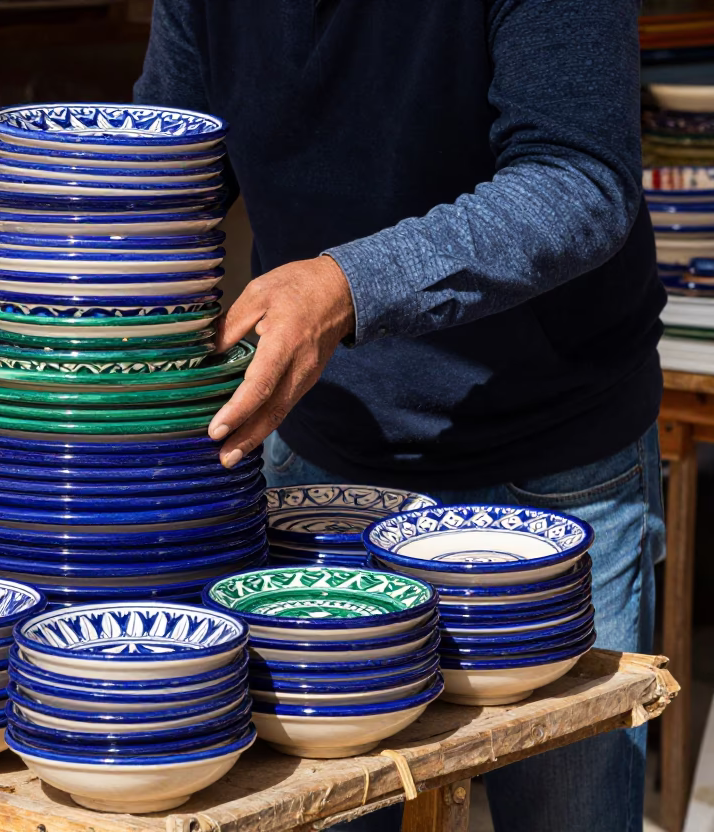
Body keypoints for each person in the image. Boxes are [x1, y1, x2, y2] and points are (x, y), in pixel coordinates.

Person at [135, 3, 664, 831]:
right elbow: (165, 169)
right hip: (325, 459)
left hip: (552, 468)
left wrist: (346, 288)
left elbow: (580, 179)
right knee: (321, 807)